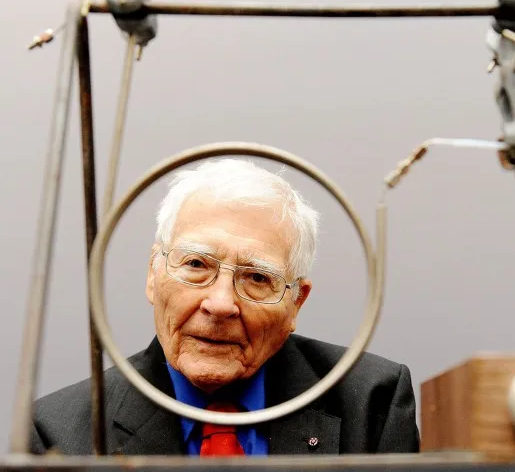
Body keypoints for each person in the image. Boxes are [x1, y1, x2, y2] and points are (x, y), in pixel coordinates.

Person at [31, 158, 420, 456]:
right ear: (154, 273)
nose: (220, 304)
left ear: (296, 303)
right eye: (197, 265)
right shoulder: (60, 433)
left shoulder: (373, 403)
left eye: (256, 278)